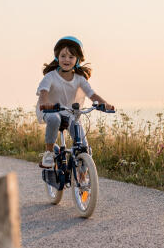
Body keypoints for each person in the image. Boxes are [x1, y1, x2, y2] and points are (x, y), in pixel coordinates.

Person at [36, 36, 114, 168]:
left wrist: (104, 104)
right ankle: (49, 152)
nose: (67, 59)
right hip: (50, 110)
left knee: (83, 147)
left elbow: (92, 94)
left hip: (70, 113)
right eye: (63, 56)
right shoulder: (50, 76)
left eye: (71, 57)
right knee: (55, 119)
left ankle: (83, 179)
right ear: (57, 57)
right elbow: (43, 93)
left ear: (77, 60)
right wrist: (46, 103)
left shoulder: (79, 79)